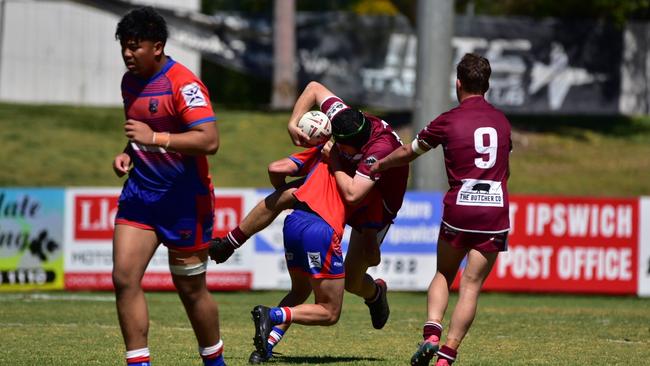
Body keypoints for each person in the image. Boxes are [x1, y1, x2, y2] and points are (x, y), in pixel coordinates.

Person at [210, 81, 409, 333]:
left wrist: (335, 159)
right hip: (344, 179)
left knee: (354, 278)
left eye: (339, 144)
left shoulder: (378, 150)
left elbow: (353, 194)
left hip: (375, 200)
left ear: (354, 148)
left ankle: (375, 293)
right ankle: (229, 242)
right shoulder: (345, 119)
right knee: (287, 194)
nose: (332, 142)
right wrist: (293, 123)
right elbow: (314, 88)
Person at [370, 53, 511, 366]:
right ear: (486, 86)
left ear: (458, 83)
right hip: (494, 211)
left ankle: (431, 334)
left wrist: (380, 163)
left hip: (460, 209)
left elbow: (409, 152)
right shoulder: (501, 121)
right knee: (471, 286)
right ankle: (447, 354)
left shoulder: (448, 120)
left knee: (444, 274)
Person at [112, 7, 225, 366]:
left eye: (135, 46)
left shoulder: (184, 84)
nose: (128, 54)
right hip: (140, 196)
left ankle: (214, 361)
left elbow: (209, 140)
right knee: (123, 278)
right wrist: (129, 152)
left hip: (184, 202)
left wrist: (155, 137)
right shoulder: (130, 82)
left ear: (157, 46)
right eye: (124, 48)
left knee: (191, 290)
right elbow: (140, 134)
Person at [245, 144, 382, 363]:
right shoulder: (369, 189)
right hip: (320, 232)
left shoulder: (324, 161)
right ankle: (271, 315)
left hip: (293, 222)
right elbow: (371, 253)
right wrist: (373, 257)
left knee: (299, 291)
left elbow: (276, 168)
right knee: (329, 312)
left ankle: (265, 347)